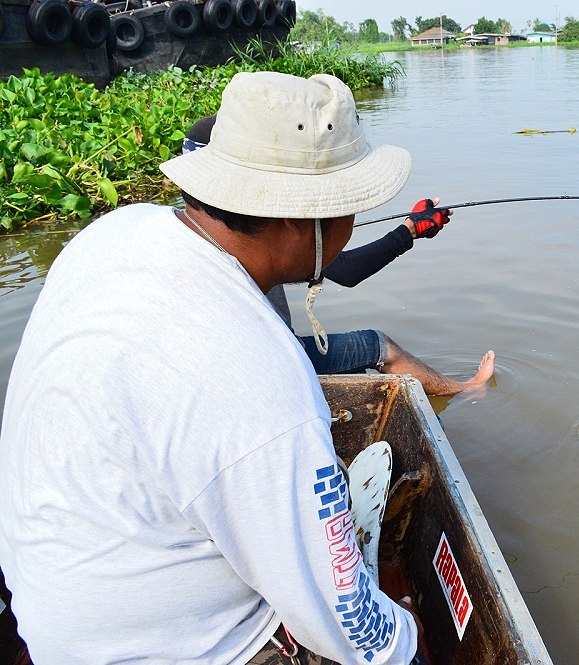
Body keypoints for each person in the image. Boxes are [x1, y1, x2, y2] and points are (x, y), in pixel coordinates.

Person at [0, 71, 483, 664]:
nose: (355, 219)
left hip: (52, 612)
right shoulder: (260, 382)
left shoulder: (114, 233)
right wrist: (413, 637)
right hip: (167, 650)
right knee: (402, 640)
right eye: (349, 205)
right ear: (298, 217)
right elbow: (349, 626)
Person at [185, 115, 494, 396]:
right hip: (268, 362)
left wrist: (409, 230)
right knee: (380, 347)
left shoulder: (195, 229)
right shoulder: (253, 238)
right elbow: (344, 269)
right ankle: (467, 389)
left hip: (263, 355)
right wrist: (409, 230)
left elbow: (342, 268)